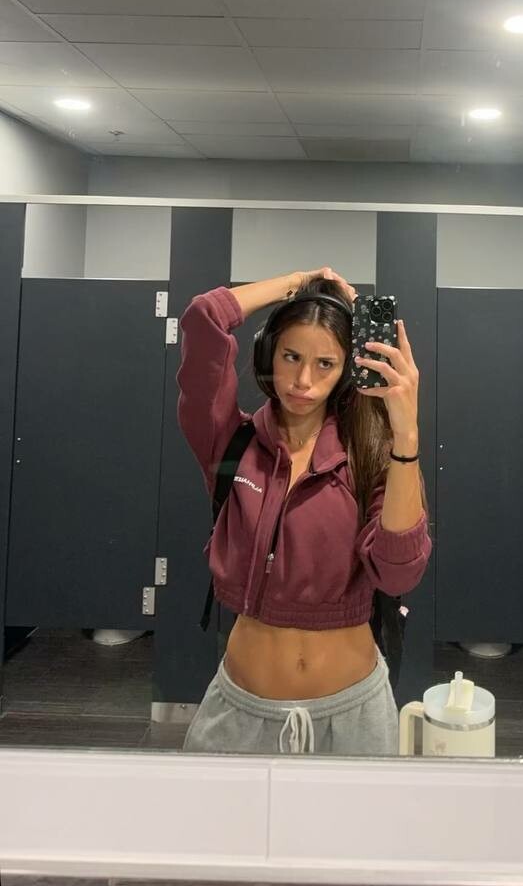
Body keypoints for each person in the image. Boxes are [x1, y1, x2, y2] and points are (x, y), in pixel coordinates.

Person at [176, 265, 432, 756]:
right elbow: (204, 316)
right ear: (269, 352)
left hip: (352, 718)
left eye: (325, 364)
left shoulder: (371, 455)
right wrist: (296, 284)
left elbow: (399, 573)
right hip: (240, 713)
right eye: (291, 356)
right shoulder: (232, 442)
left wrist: (406, 434)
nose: (303, 381)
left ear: (345, 372)